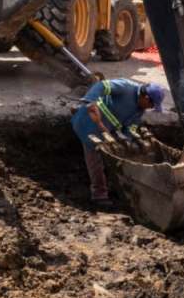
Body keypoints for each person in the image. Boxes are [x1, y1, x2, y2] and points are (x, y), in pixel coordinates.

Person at [70, 78, 166, 207]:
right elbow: (101, 86)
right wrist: (91, 101)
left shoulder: (139, 111)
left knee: (117, 156)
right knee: (95, 159)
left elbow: (130, 129)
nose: (150, 108)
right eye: (152, 105)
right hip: (88, 122)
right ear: (146, 98)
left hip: (104, 129)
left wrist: (126, 143)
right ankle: (99, 195)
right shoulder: (126, 87)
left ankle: (120, 186)